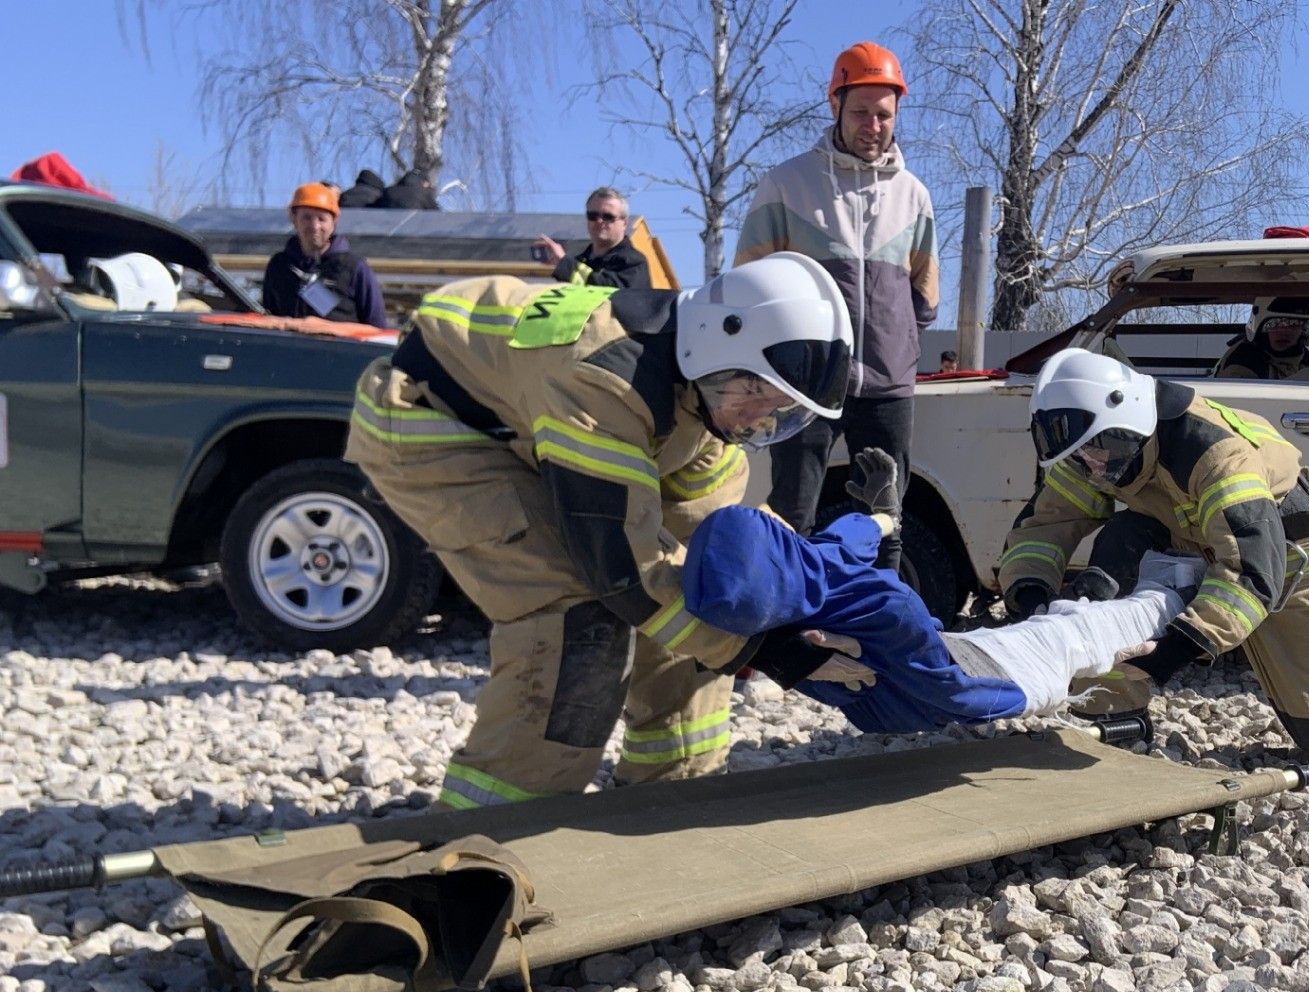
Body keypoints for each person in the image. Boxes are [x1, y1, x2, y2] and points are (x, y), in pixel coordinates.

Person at [344, 252, 872, 808]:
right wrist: (768, 651)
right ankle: (492, 833)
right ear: (719, 351)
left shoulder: (709, 395)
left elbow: (710, 556)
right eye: (756, 398)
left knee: (708, 595)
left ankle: (669, 799)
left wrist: (789, 608)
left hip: (526, 411)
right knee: (575, 615)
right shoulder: (605, 379)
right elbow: (626, 569)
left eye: (780, 413)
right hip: (432, 418)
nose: (758, 423)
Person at [997, 348, 1309, 761]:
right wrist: (1029, 590)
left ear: (1135, 418)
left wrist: (1183, 644)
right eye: (1084, 458)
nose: (1097, 468)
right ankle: (1114, 713)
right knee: (1117, 546)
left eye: (1104, 452)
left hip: (1280, 555)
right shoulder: (1092, 447)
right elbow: (1044, 527)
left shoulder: (1215, 455)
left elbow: (1250, 567)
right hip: (1189, 539)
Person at [682, 452, 1203, 734]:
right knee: (1074, 632)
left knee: (1068, 626)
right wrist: (1027, 699)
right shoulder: (865, 594)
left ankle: (1161, 591)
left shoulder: (810, 578)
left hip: (894, 697)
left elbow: (850, 539)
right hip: (961, 684)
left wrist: (886, 515)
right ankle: (1169, 594)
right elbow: (949, 690)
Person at [735, 41, 938, 573]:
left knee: (886, 516)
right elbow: (748, 282)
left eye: (883, 115)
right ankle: (788, 636)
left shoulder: (914, 195)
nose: (872, 125)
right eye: (860, 113)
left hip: (888, 386)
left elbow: (925, 294)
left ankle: (879, 629)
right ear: (834, 107)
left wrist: (899, 347)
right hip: (807, 382)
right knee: (792, 513)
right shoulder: (787, 184)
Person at [261, 183, 388, 327]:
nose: (315, 226)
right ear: (293, 218)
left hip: (341, 349)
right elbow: (268, 321)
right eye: (307, 217)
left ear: (334, 221)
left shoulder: (354, 267)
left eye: (322, 219)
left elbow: (377, 327)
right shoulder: (279, 266)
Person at [531, 187, 652, 290]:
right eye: (593, 216)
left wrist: (565, 264)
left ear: (624, 223)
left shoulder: (634, 263)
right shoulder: (577, 262)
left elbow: (608, 292)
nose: (599, 221)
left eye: (608, 216)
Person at [1212, 296, 1309, 379]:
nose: (1285, 332)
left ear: (1304, 329)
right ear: (1260, 326)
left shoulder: (1307, 360)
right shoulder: (1243, 360)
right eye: (1275, 324)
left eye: (1294, 324)